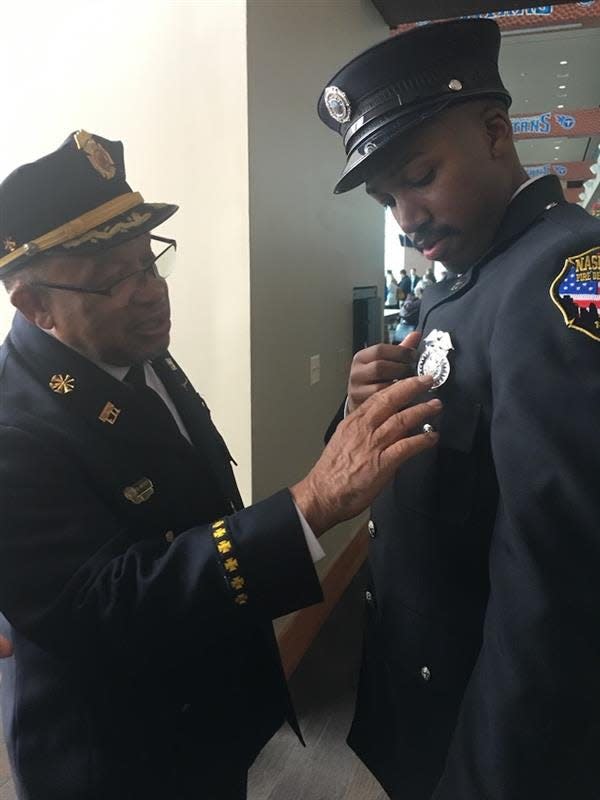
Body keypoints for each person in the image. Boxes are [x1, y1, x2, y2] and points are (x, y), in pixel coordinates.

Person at [0, 132, 442, 800]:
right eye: (113, 282)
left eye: (148, 264)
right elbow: (105, 606)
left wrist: (351, 419)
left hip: (200, 716)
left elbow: (189, 500)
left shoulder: (134, 352)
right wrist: (312, 504)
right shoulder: (16, 425)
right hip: (116, 757)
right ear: (34, 306)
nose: (149, 293)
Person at [318, 17, 600, 800]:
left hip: (492, 728)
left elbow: (557, 595)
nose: (405, 219)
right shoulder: (469, 276)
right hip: (430, 689)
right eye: (387, 197)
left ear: (496, 132)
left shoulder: (565, 278)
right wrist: (357, 413)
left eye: (420, 174)